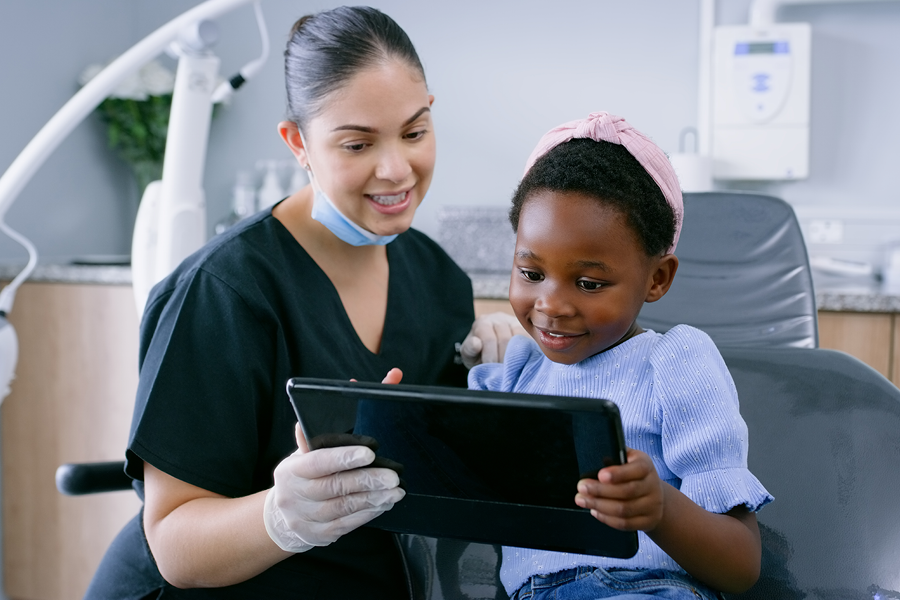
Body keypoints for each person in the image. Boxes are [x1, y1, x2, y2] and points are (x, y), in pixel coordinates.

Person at [85, 6, 521, 599]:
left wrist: (498, 376)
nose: (396, 169)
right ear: (298, 143)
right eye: (357, 143)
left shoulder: (439, 279)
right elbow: (174, 543)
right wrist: (280, 518)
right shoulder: (226, 292)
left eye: (414, 132)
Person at [467, 111, 774, 600]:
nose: (550, 304)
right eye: (530, 273)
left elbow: (742, 564)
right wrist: (375, 424)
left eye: (589, 283)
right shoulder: (514, 376)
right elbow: (453, 482)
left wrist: (661, 510)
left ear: (657, 279)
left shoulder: (674, 364)